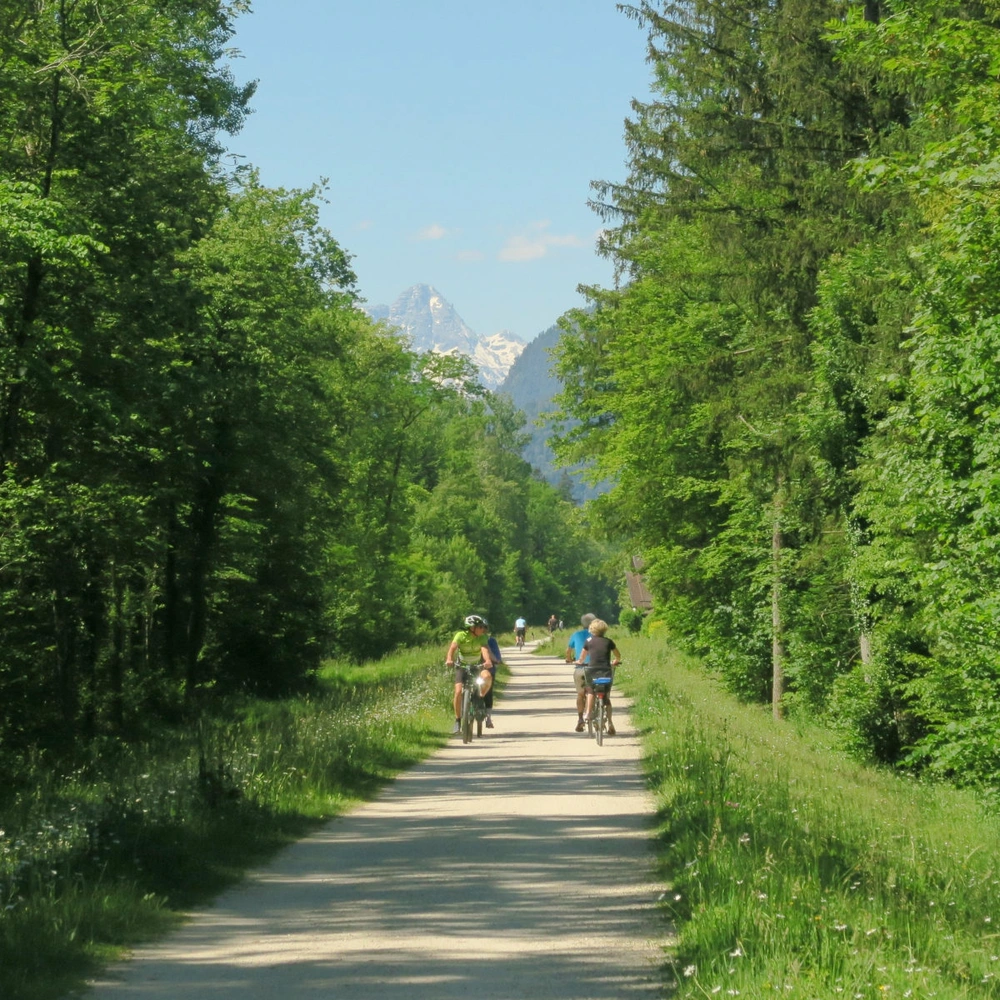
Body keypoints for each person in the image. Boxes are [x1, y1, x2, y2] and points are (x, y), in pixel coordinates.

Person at [445, 614, 496, 735]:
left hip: (476, 666)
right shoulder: (460, 635)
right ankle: (457, 721)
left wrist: (488, 661)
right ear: (471, 627)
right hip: (461, 667)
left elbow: (484, 649)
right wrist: (449, 659)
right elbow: (452, 649)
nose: (482, 629)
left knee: (487, 677)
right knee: (458, 692)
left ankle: (481, 696)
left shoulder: (482, 637)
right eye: (479, 627)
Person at [577, 618, 621, 736]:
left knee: (590, 690)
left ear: (592, 629)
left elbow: (582, 657)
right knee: (606, 697)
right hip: (606, 671)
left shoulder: (588, 641)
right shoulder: (608, 641)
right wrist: (615, 661)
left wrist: (579, 662)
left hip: (592, 670)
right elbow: (618, 655)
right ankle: (610, 723)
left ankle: (587, 714)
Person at [565, 613, 596, 732]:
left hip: (580, 668)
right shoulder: (597, 635)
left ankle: (580, 719)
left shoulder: (576, 635)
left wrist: (569, 658)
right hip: (595, 668)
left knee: (580, 694)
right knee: (594, 689)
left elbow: (568, 650)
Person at [484, 632, 503, 728]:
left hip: (488, 670)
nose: (481, 630)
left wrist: (497, 660)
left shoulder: (491, 641)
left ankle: (488, 718)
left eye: (483, 628)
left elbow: (497, 655)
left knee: (488, 692)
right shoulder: (470, 641)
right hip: (473, 670)